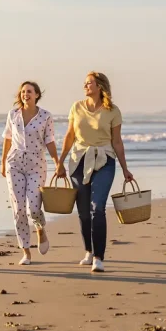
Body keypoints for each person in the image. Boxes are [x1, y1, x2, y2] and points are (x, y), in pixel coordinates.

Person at [56, 72, 133, 272]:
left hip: (104, 160)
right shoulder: (76, 107)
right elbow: (70, 135)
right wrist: (60, 162)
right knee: (83, 210)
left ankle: (99, 257)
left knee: (97, 207)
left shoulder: (113, 111)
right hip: (78, 160)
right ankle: (88, 251)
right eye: (84, 83)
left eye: (89, 83)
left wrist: (125, 168)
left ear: (100, 86)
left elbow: (117, 141)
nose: (85, 86)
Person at [1, 81, 58, 265]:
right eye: (23, 92)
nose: (26, 94)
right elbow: (8, 138)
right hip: (14, 164)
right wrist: (3, 162)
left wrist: (57, 162)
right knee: (18, 209)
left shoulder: (45, 116)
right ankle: (26, 252)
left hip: (36, 165)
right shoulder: (13, 114)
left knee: (32, 207)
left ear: (36, 95)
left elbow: (49, 140)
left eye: (30, 91)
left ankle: (40, 229)